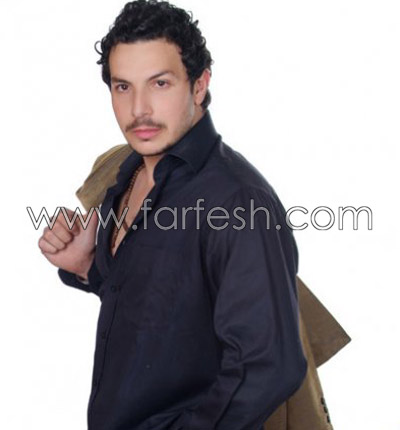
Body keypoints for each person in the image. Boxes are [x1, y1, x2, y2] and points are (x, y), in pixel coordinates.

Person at [38, 1, 311, 429]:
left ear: (199, 85)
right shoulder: (124, 171)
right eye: (123, 87)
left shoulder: (237, 201)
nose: (139, 109)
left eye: (160, 83)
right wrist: (88, 268)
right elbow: (167, 307)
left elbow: (269, 366)